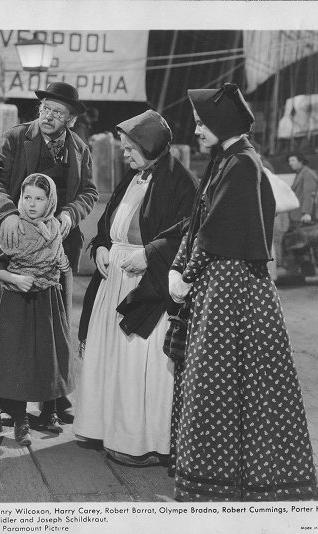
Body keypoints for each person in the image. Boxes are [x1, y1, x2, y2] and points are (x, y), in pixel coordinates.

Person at [168, 83, 318, 501]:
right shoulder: (225, 159)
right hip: (219, 282)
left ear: (222, 121)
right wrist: (179, 267)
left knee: (226, 381)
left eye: (202, 123)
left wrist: (187, 271)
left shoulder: (242, 163)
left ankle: (234, 481)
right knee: (219, 380)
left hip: (234, 286)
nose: (197, 130)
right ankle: (219, 477)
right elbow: (197, 220)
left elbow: (216, 229)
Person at [73, 110, 197, 467]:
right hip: (114, 277)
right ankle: (104, 428)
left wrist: (149, 255)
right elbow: (110, 222)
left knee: (137, 362)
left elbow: (187, 234)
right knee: (110, 358)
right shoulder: (133, 177)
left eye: (129, 148)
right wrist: (99, 246)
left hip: (146, 284)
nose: (124, 154)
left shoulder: (180, 182)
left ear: (149, 146)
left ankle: (138, 441)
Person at [0, 81, 98, 421]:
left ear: (71, 120)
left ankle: (54, 399)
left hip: (58, 247)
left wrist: (68, 214)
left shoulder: (79, 149)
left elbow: (88, 193)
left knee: (56, 325)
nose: (48, 116)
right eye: (45, 108)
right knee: (14, 327)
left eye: (57, 112)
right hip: (16, 247)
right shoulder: (16, 138)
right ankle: (10, 401)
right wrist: (8, 214)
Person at [0, 173, 72, 445]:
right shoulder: (13, 228)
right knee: (18, 359)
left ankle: (49, 410)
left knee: (49, 354)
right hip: (18, 300)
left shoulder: (54, 229)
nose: (32, 204)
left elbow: (62, 263)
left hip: (47, 297)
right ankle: (20, 417)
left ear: (50, 202)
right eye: (27, 198)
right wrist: (16, 279)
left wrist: (60, 271)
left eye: (39, 198)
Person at [287, 153, 318, 273]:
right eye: (289, 161)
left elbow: (309, 194)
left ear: (301, 161)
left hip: (302, 216)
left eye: (292, 160)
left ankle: (308, 269)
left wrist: (306, 213)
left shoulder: (307, 174)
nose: (290, 163)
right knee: (301, 243)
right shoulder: (301, 173)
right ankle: (306, 269)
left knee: (304, 243)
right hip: (298, 215)